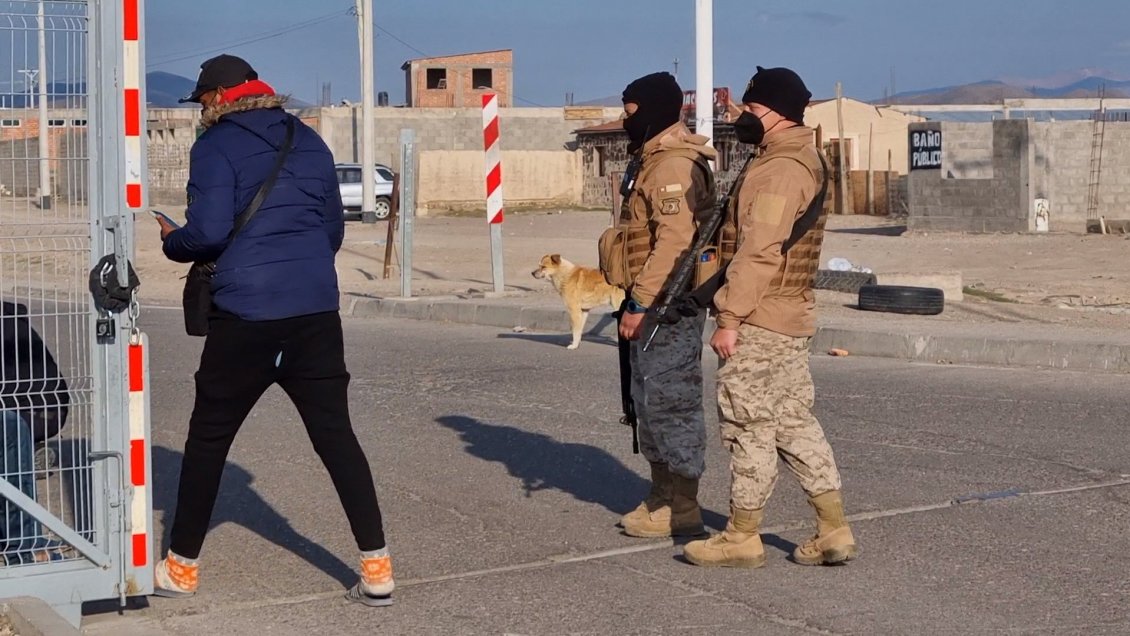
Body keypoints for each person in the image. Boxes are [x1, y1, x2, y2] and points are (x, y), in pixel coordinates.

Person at [153, 54, 394, 606]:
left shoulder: (214, 147)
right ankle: (377, 568)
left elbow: (208, 233)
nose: (202, 111)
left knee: (209, 439)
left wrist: (173, 238)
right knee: (337, 438)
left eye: (203, 102)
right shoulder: (308, 141)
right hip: (314, 311)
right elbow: (332, 228)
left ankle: (182, 569)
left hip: (246, 315)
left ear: (216, 98)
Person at [683, 66, 857, 568]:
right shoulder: (792, 156)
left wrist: (730, 318)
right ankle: (832, 528)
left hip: (762, 317)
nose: (742, 117)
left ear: (777, 113)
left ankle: (741, 535)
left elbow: (760, 250)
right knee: (792, 422)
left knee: (749, 424)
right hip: (788, 315)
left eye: (751, 109)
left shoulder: (782, 168)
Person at [601, 72, 717, 538]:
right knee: (647, 400)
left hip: (670, 302)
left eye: (632, 112)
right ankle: (661, 494)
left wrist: (642, 303)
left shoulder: (672, 165)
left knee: (672, 402)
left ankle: (683, 507)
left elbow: (674, 244)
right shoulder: (650, 158)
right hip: (651, 300)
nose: (627, 121)